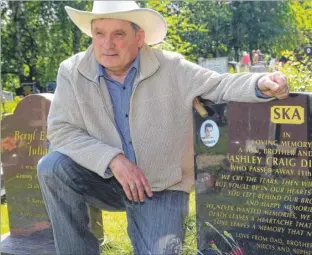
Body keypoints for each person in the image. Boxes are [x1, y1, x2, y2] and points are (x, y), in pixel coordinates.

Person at [36, 1, 289, 255]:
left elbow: (220, 86)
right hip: (105, 179)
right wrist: (113, 159)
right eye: (99, 33)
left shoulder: (172, 68)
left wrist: (260, 83)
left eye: (118, 34)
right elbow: (61, 131)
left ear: (139, 37)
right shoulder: (72, 71)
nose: (107, 44)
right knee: (52, 167)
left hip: (159, 186)